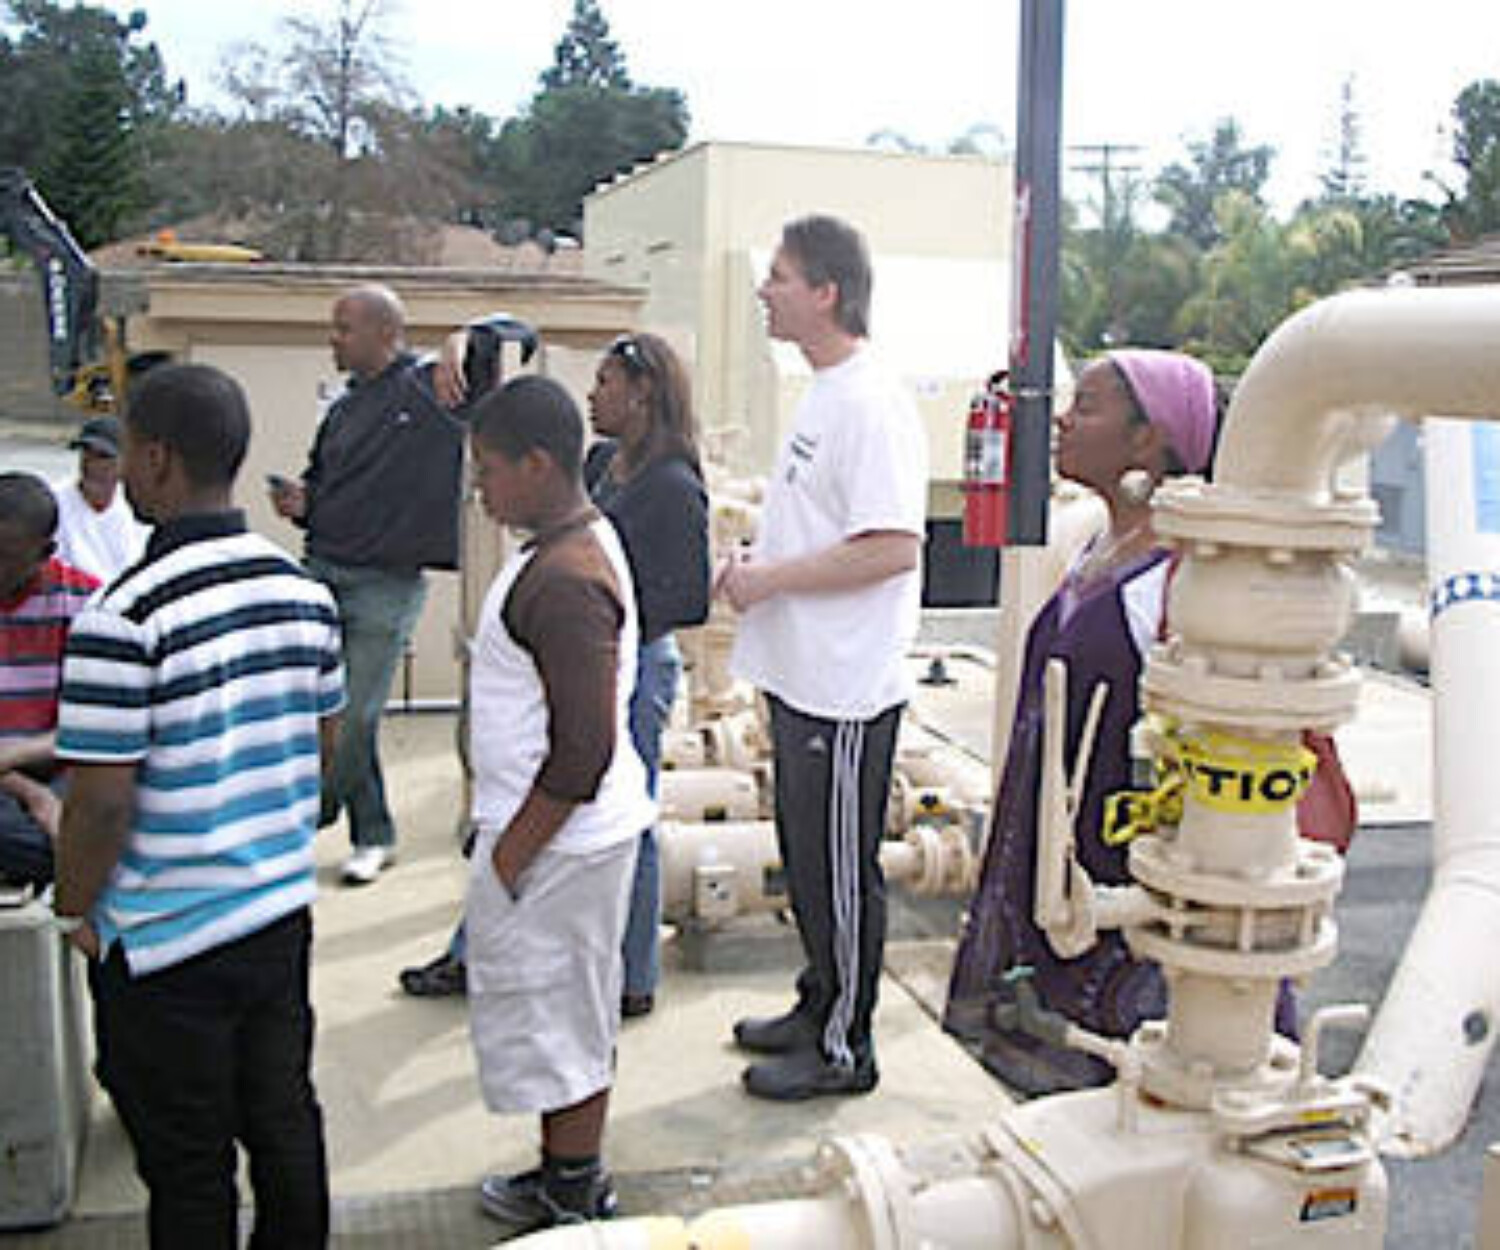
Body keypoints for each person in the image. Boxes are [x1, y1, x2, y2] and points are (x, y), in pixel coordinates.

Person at [52, 363, 345, 1249]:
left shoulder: (121, 619)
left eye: (131, 451)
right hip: (274, 912)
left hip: (163, 942)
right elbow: (324, 751)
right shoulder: (304, 593)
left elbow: (100, 808)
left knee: (188, 1166)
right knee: (285, 1123)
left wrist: (74, 910)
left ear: (157, 460)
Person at [399, 333, 711, 1013]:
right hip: (585, 652)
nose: (593, 394)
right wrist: (464, 343)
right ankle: (479, 946)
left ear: (644, 392)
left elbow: (690, 593)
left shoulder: (671, 485)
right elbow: (509, 346)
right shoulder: (605, 466)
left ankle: (630, 977)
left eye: (606, 382)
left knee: (621, 818)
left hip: (628, 663)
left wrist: (599, 622)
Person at [943, 348, 1220, 1096]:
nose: (1062, 419)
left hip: (1119, 874)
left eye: (1088, 406)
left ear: (1146, 440)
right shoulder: (1100, 545)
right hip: (1055, 854)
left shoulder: (1181, 577)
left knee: (1121, 1082)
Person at [716, 215, 928, 1102]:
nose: (766, 289)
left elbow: (891, 547)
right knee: (808, 863)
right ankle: (818, 1005)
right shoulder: (825, 391)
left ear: (827, 293)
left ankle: (846, 1048)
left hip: (844, 689)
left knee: (841, 873)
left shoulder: (871, 400)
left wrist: (769, 583)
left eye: (781, 276)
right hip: (801, 676)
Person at [461, 375, 653, 1234]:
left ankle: (574, 1188)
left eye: (489, 472)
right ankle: (562, 1169)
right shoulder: (567, 544)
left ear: (538, 465)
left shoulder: (569, 577)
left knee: (563, 1012)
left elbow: (584, 749)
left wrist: (512, 855)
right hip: (561, 839)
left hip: (561, 846)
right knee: (560, 1010)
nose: (482, 491)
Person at [269, 283, 463, 885]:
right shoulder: (344, 409)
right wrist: (302, 502)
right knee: (329, 713)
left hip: (386, 583)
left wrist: (458, 343)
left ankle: (309, 814)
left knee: (353, 717)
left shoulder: (425, 390)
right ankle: (374, 834)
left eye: (343, 327)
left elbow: (504, 341)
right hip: (321, 568)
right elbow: (323, 486)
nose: (333, 338)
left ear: (385, 333)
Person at [0, 473, 98, 890]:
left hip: (62, 765)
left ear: (46, 553)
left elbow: (95, 726)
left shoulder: (87, 604)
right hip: (10, 784)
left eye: (4, 556)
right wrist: (31, 794)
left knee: (104, 815)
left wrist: (21, 754)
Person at [51, 414, 151, 583]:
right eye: (86, 454)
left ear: (125, 462)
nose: (91, 464)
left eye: (103, 456)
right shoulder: (53, 505)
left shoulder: (139, 508)